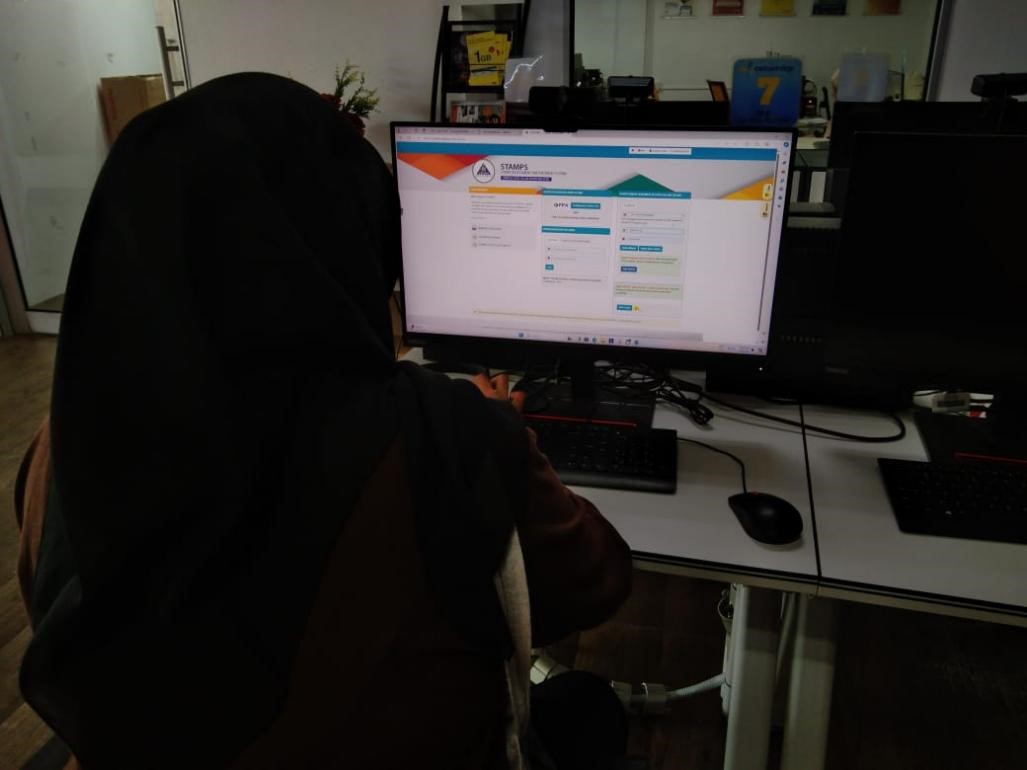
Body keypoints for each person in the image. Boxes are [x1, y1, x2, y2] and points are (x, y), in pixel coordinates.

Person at [14, 72, 633, 768]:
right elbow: (596, 581)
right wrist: (505, 439)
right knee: (586, 706)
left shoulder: (55, 451)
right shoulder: (441, 438)